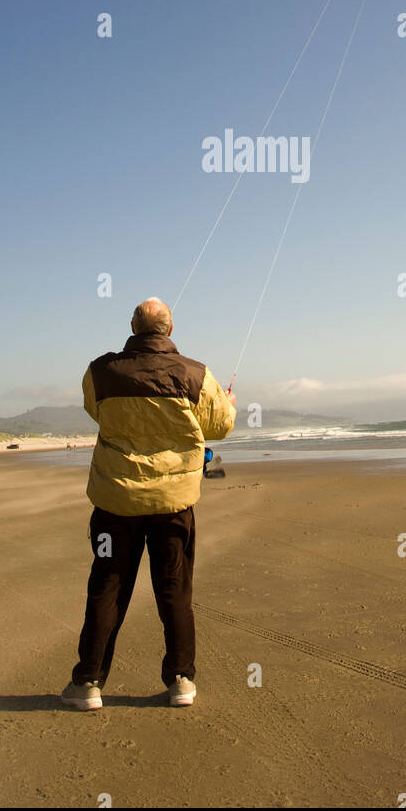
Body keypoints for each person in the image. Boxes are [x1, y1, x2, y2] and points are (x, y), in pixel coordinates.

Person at [61, 297, 235, 712]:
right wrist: (227, 402)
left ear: (134, 328)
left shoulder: (101, 371)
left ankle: (89, 681)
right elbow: (221, 427)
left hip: (115, 503)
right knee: (173, 588)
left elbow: (95, 409)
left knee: (107, 585)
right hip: (172, 506)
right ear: (169, 331)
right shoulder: (197, 374)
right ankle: (181, 680)